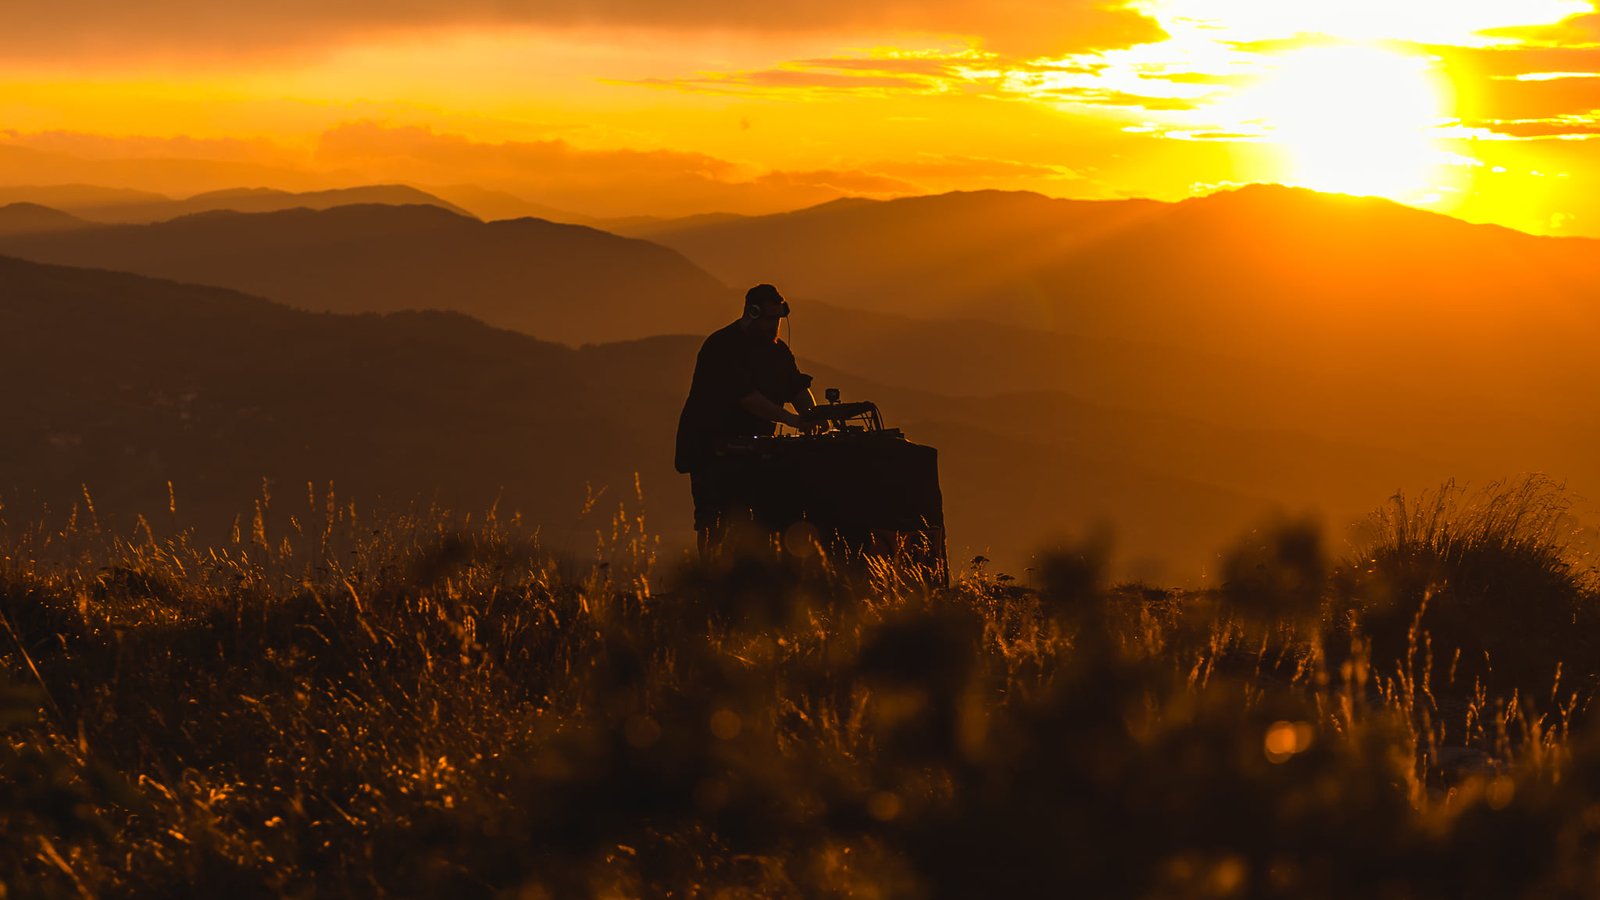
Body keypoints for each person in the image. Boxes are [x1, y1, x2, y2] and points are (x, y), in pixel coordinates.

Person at [675, 283, 818, 553]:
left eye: (778, 319)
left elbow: (796, 386)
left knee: (759, 522)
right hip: (713, 452)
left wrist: (813, 415)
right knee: (716, 521)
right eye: (769, 319)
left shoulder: (777, 351)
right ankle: (710, 582)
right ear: (751, 314)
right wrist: (794, 421)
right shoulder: (722, 346)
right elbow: (747, 398)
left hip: (752, 453)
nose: (774, 326)